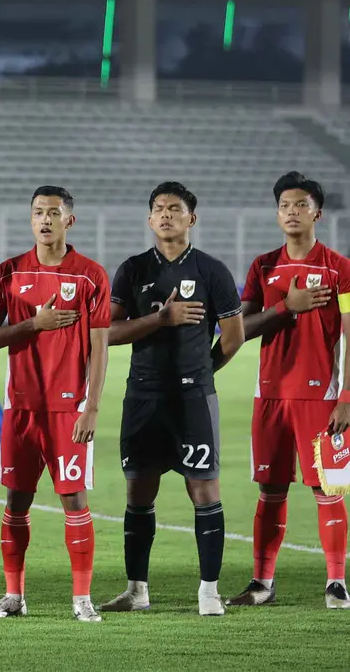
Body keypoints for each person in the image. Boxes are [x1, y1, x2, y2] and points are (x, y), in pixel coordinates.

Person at [100, 182, 245, 617]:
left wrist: (201, 373)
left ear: (191, 218)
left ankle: (208, 593)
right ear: (149, 219)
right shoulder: (132, 270)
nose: (166, 215)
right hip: (143, 396)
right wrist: (160, 319)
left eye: (175, 209)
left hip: (192, 399)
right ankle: (137, 591)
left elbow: (234, 337)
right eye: (159, 209)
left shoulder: (212, 271)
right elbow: (107, 333)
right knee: (139, 493)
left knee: (204, 490)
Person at [0, 186, 110, 623]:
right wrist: (32, 324)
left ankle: (81, 599)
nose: (44, 219)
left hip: (69, 408)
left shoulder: (90, 275)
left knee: (74, 501)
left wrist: (91, 407)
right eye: (38, 212)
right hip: (20, 409)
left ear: (68, 221)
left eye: (53, 213)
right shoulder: (8, 273)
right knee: (16, 502)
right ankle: (14, 595)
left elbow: (99, 346)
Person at [229, 171, 350, 609]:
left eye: (301, 205)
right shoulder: (263, 266)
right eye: (284, 205)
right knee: (270, 489)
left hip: (321, 398)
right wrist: (285, 307)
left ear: (317, 211)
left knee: (328, 489)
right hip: (270, 396)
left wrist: (347, 397)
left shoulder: (340, 269)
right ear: (277, 213)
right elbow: (239, 330)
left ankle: (336, 583)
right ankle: (262, 583)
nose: (292, 212)